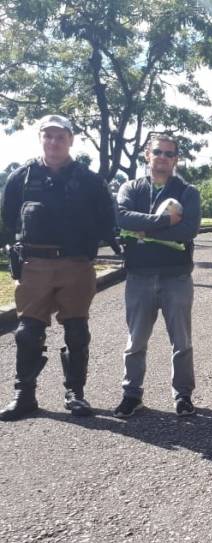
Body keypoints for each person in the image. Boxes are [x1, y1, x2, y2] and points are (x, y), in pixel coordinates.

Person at [0, 114, 119, 421]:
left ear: (70, 140)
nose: (54, 142)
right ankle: (24, 395)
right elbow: (9, 216)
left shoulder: (90, 180)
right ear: (41, 138)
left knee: (77, 332)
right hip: (34, 265)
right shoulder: (21, 177)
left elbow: (107, 220)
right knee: (27, 333)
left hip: (75, 264)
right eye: (48, 136)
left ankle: (75, 394)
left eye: (60, 136)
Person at [112, 134, 201, 418]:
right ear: (147, 155)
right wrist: (163, 222)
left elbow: (187, 230)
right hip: (139, 275)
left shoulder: (188, 192)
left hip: (176, 277)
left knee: (181, 341)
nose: (163, 157)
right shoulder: (131, 188)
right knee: (135, 340)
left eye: (169, 154)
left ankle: (183, 395)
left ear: (176, 160)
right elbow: (123, 217)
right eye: (158, 152)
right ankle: (131, 394)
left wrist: (142, 230)